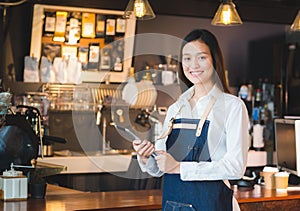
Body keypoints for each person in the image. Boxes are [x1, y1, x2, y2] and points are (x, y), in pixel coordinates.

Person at [133, 29, 249, 211]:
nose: (193, 65)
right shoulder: (175, 108)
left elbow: (235, 167)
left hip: (213, 204)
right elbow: (161, 168)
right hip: (174, 205)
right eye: (187, 58)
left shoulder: (232, 106)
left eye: (201, 57)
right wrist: (147, 157)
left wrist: (180, 167)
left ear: (214, 60)